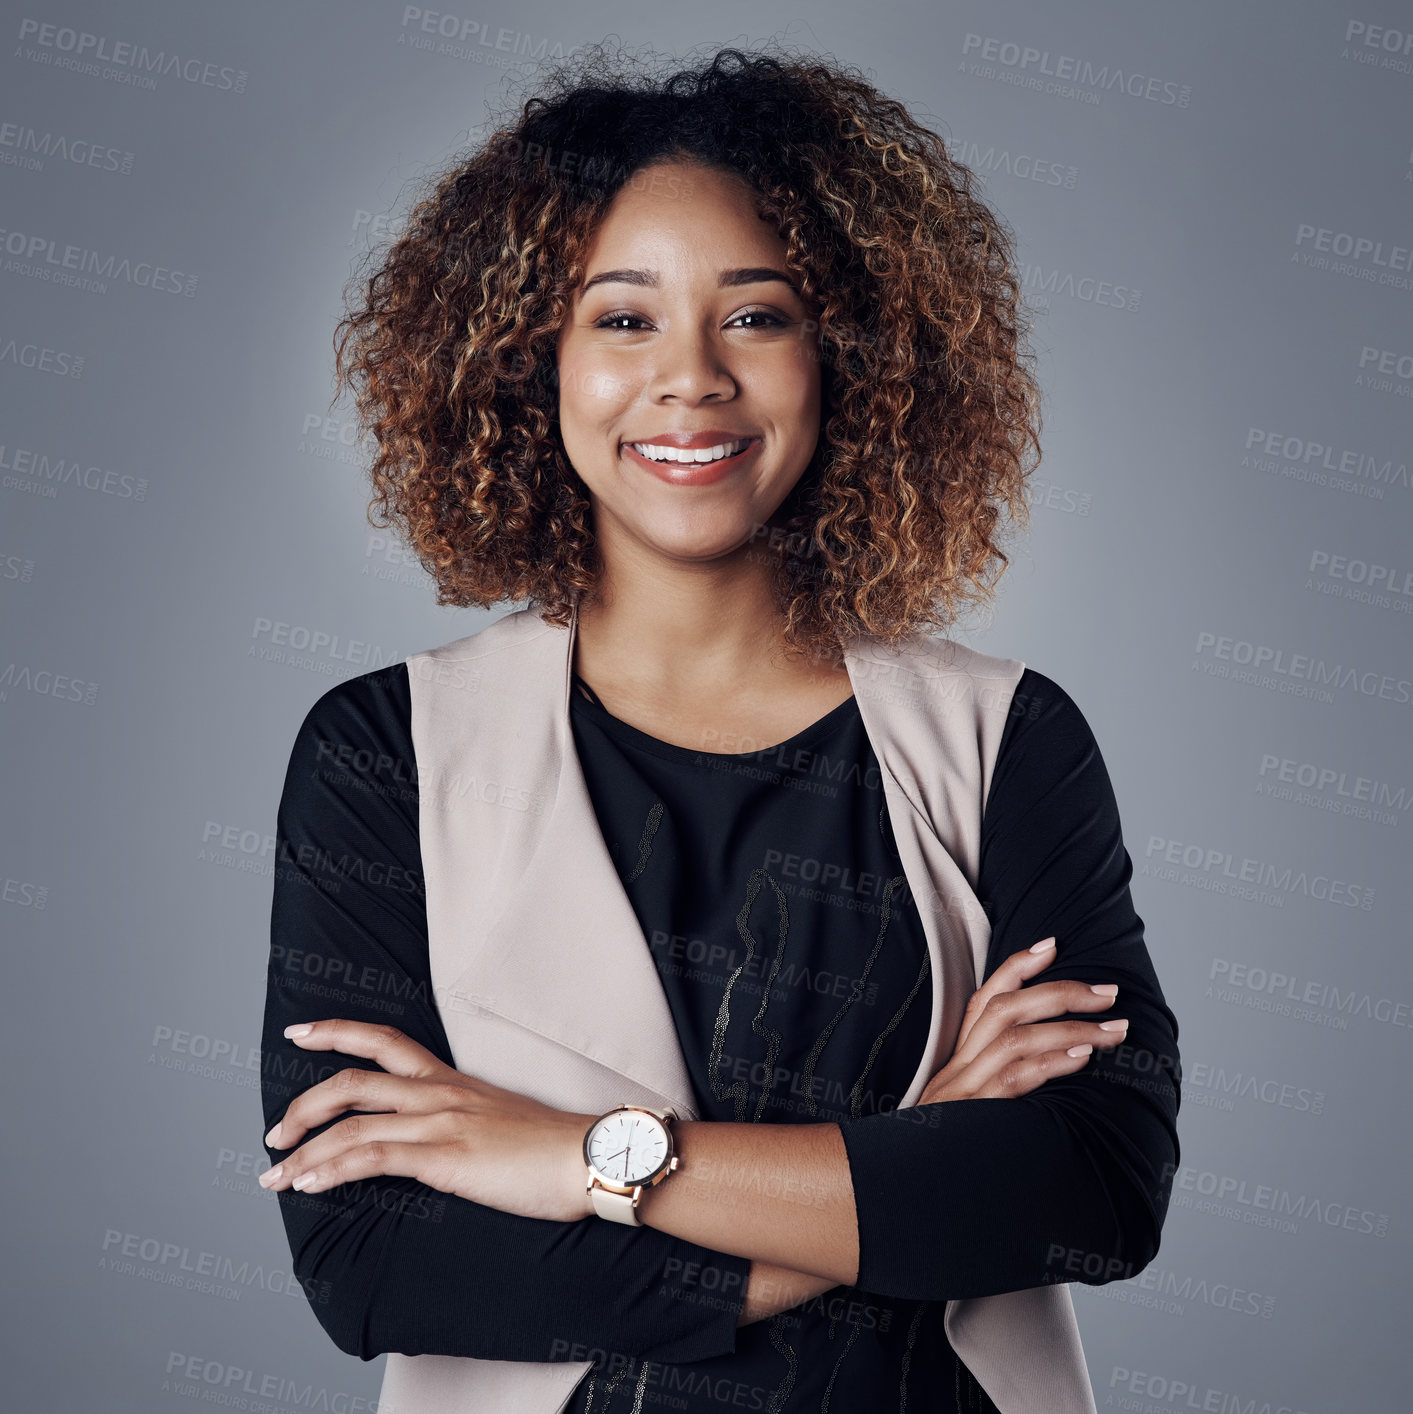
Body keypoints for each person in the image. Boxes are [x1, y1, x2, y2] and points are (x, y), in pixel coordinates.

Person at [259, 43, 1180, 1414]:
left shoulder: (1004, 738)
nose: (689, 379)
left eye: (756, 316)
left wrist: (579, 1156)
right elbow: (374, 1263)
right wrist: (911, 1154)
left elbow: (1091, 1193)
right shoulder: (383, 752)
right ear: (530, 363)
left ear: (848, 357)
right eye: (620, 320)